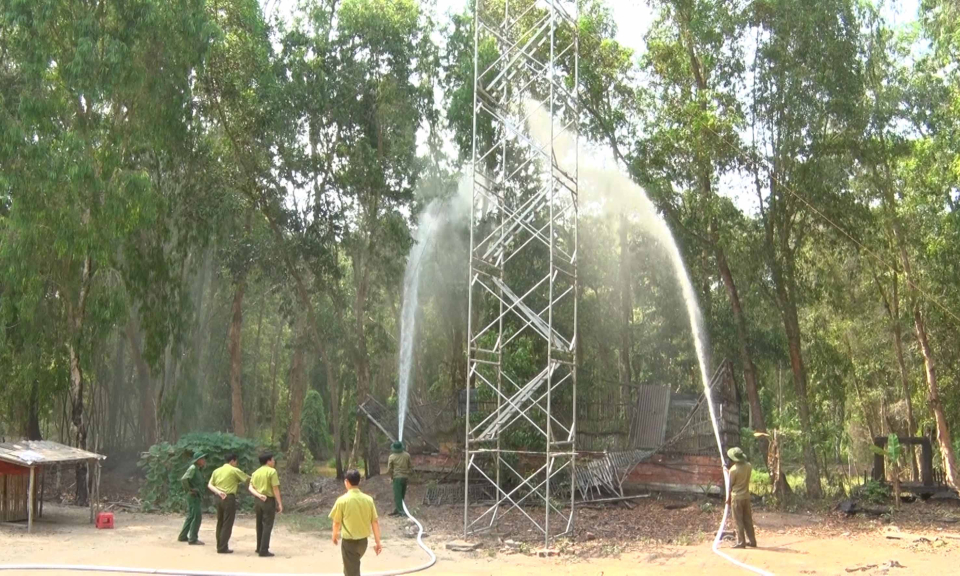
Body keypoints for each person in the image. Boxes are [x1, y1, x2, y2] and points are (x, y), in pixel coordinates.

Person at [329, 469, 382, 576]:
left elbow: (336, 522)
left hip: (349, 543)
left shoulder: (342, 500)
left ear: (346, 482)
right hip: (363, 543)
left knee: (351, 572)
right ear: (359, 481)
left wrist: (334, 536)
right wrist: (378, 542)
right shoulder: (368, 500)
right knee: (351, 567)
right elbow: (375, 522)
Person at [207, 453, 250, 554]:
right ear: (232, 461)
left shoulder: (216, 471)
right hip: (228, 498)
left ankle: (220, 545)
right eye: (236, 462)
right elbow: (247, 478)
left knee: (220, 522)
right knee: (227, 523)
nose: (236, 464)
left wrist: (218, 492)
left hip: (218, 498)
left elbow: (209, 484)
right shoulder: (234, 470)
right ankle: (222, 547)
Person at [249, 452, 283, 557]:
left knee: (259, 524)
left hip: (258, 500)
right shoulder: (272, 472)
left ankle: (259, 547)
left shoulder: (255, 473)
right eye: (273, 460)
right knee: (267, 525)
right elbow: (275, 488)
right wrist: (279, 503)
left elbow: (251, 487)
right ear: (268, 461)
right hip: (268, 500)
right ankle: (264, 550)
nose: (274, 462)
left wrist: (259, 495)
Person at [725, 447, 757, 549]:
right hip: (746, 497)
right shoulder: (748, 466)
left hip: (737, 497)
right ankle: (752, 541)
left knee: (738, 520)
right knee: (748, 519)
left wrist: (727, 472)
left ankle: (741, 542)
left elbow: (730, 486)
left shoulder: (733, 470)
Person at [178, 451, 207, 545]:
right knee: (197, 516)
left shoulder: (199, 469)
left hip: (196, 495)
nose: (204, 460)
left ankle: (183, 536)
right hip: (193, 496)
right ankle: (193, 539)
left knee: (191, 516)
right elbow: (184, 479)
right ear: (197, 460)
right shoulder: (193, 468)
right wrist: (189, 490)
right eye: (202, 459)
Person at [386, 441, 412, 517]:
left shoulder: (392, 457)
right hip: (405, 477)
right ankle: (398, 509)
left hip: (397, 477)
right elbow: (410, 466)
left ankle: (401, 511)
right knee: (402, 494)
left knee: (397, 495)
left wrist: (391, 477)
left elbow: (389, 469)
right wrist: (407, 473)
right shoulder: (407, 455)